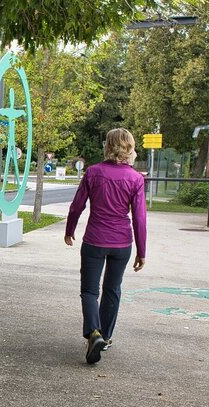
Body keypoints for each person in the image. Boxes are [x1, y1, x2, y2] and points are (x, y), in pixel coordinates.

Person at [64, 128, 146, 364]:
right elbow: (139, 218)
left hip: (94, 240)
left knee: (90, 291)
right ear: (130, 147)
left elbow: (77, 206)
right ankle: (106, 337)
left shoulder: (93, 172)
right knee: (112, 289)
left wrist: (69, 230)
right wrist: (141, 251)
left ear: (108, 146)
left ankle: (94, 333)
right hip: (122, 243)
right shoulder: (135, 178)